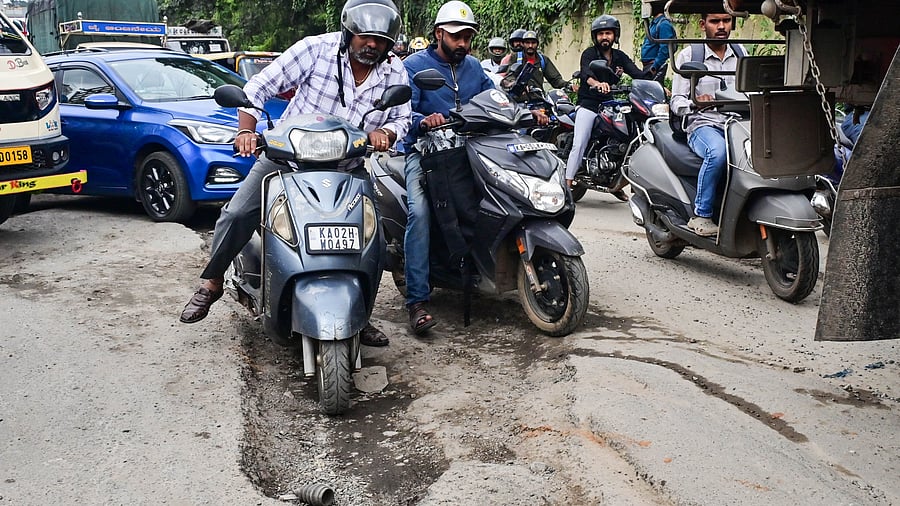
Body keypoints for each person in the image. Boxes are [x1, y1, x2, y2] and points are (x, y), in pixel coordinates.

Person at [179, 0, 412, 348]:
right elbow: (259, 87)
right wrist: (246, 131)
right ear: (350, 31)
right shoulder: (315, 49)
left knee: (374, 240)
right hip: (287, 160)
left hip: (348, 167)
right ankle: (212, 282)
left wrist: (388, 134)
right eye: (366, 37)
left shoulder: (394, 71)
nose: (372, 45)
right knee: (238, 212)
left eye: (380, 40)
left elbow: (402, 118)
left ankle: (359, 317)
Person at [400, 0, 494, 335]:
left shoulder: (475, 68)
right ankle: (417, 300)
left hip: (471, 150)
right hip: (424, 154)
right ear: (439, 34)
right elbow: (400, 114)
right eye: (456, 37)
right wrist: (422, 120)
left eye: (467, 37)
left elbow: (493, 98)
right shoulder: (413, 66)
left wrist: (520, 110)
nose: (463, 44)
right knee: (421, 212)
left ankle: (482, 269)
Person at [670, 12, 746, 237]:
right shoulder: (690, 55)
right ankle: (701, 215)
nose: (722, 26)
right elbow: (676, 101)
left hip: (737, 124)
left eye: (726, 20)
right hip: (703, 124)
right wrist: (695, 103)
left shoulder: (741, 52)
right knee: (718, 153)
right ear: (703, 25)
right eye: (715, 21)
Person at [565, 14, 649, 200]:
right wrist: (597, 83)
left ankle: (614, 181)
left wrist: (657, 85)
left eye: (608, 33)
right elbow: (586, 74)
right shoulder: (589, 54)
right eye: (601, 33)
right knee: (580, 143)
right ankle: (567, 184)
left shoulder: (619, 57)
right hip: (588, 104)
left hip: (609, 104)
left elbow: (637, 73)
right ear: (596, 36)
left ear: (615, 35)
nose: (605, 37)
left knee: (625, 138)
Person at [501, 30, 569, 94]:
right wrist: (516, 85)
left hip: (538, 98)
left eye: (533, 43)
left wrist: (568, 85)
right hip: (519, 99)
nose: (530, 46)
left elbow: (555, 79)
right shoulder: (515, 57)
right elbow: (509, 77)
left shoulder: (543, 60)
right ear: (523, 44)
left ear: (537, 44)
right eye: (527, 43)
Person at [640, 1, 676, 86]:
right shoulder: (655, 23)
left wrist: (655, 66)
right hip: (648, 66)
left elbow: (665, 48)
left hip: (654, 67)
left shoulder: (663, 24)